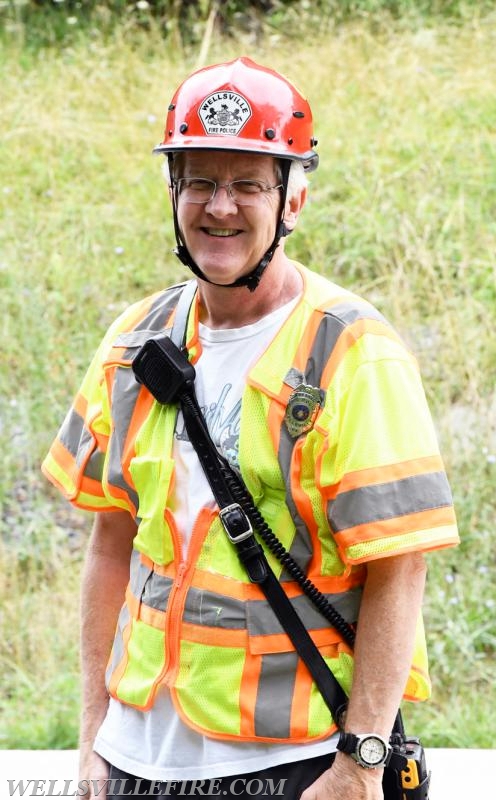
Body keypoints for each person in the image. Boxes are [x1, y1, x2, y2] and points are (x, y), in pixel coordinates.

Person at [42, 57, 459, 800]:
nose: (219, 206)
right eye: (198, 180)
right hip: (136, 761)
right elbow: (112, 545)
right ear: (172, 191)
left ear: (292, 198)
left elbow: (401, 567)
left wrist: (359, 767)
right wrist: (91, 737)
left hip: (291, 762)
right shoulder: (133, 342)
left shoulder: (351, 351)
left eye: (246, 184)